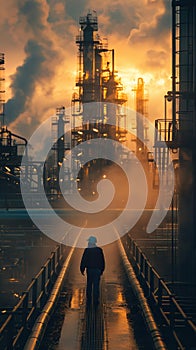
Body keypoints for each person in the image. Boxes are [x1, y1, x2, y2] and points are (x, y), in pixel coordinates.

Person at [80, 236, 105, 307]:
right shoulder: (99, 250)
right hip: (97, 270)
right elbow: (102, 261)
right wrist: (102, 269)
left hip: (90, 270)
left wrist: (82, 269)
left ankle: (89, 300)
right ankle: (96, 301)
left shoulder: (87, 250)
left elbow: (83, 260)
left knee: (89, 284)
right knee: (96, 285)